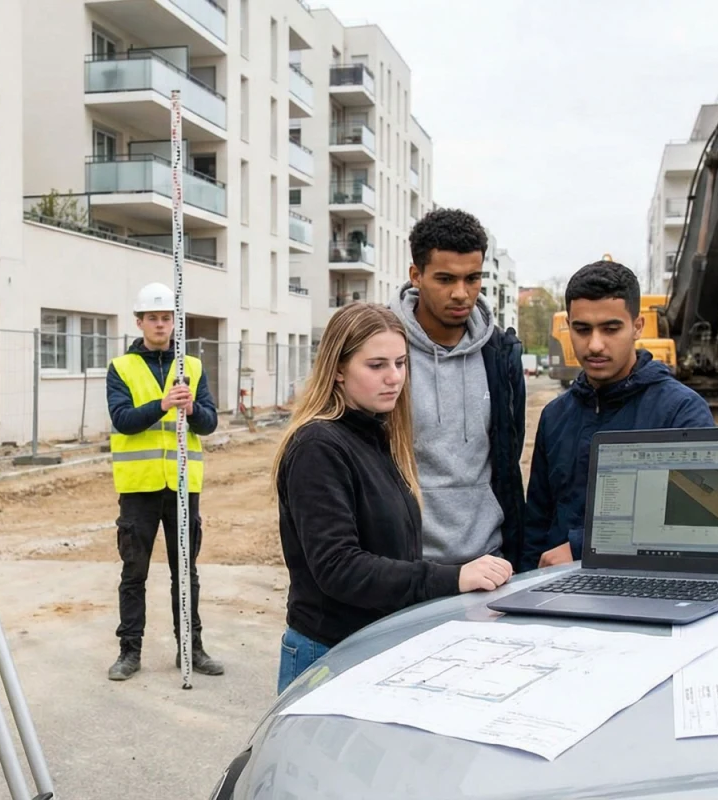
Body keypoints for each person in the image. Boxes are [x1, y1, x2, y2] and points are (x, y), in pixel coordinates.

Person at [273, 303, 514, 694]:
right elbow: (339, 568)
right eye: (376, 365)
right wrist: (453, 577)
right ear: (337, 368)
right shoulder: (318, 446)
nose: (394, 378)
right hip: (327, 654)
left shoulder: (374, 435)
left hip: (373, 644)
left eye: (401, 363)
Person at [525, 260, 716, 568]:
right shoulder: (555, 416)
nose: (595, 344)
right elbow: (536, 522)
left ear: (637, 326)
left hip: (645, 591)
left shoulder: (681, 412)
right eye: (582, 329)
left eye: (611, 329)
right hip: (555, 597)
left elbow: (695, 524)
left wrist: (579, 547)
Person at [388, 208, 530, 571]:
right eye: (445, 279)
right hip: (408, 566)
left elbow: (506, 456)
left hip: (490, 561)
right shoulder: (383, 350)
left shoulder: (501, 354)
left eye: (472, 279)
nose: (461, 294)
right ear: (415, 276)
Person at [104, 282, 223, 681]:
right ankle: (129, 652)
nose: (160, 324)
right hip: (138, 488)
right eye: (153, 317)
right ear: (139, 322)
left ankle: (192, 648)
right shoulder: (121, 368)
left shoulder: (192, 366)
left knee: (185, 573)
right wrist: (162, 405)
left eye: (167, 317)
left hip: (183, 487)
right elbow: (122, 420)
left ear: (175, 322)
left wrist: (191, 409)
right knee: (134, 573)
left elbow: (209, 422)